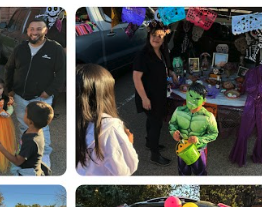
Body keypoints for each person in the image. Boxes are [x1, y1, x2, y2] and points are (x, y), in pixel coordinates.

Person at [5, 17, 65, 168]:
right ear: (27, 31)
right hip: (20, 96)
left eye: (39, 29)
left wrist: (49, 91)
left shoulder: (55, 48)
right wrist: (9, 88)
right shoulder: (20, 48)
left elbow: (62, 72)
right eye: (32, 29)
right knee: (23, 126)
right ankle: (26, 151)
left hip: (41, 98)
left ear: (46, 31)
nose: (34, 32)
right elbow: (9, 68)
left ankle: (44, 155)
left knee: (41, 128)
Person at [76, 64, 138, 176]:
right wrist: (128, 143)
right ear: (105, 94)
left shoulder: (75, 122)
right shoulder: (110, 127)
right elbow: (123, 171)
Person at [133, 20, 177, 167]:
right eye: (153, 35)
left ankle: (149, 143)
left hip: (159, 93)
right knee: (156, 123)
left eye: (159, 36)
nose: (156, 38)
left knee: (152, 121)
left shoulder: (163, 51)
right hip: (149, 95)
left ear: (164, 38)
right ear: (149, 36)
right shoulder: (143, 54)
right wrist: (144, 98)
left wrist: (171, 72)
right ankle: (154, 155)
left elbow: (165, 66)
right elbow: (136, 78)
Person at [169, 82, 219, 175]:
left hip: (199, 150)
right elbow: (172, 124)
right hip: (182, 149)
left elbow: (214, 134)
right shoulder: (179, 111)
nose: (193, 101)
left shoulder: (208, 117)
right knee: (183, 173)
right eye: (190, 96)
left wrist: (198, 139)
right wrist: (173, 132)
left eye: (197, 98)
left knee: (200, 173)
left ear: (203, 101)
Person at [0, 101, 54, 176]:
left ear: (30, 121)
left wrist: (0, 146)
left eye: (25, 113)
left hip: (28, 174)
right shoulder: (37, 130)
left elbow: (17, 161)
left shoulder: (31, 141)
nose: (23, 114)